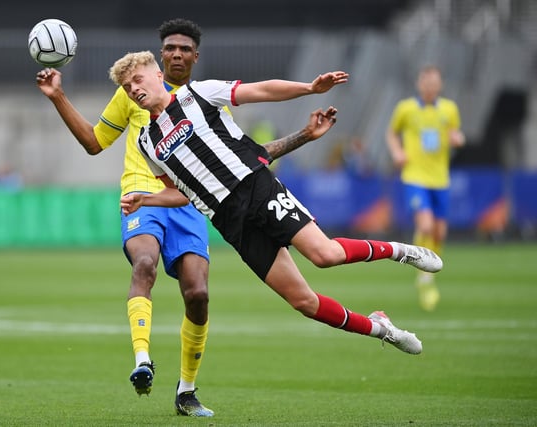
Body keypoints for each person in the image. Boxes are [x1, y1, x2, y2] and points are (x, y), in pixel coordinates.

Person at [35, 19, 346, 417]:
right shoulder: (134, 91)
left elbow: (244, 157)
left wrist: (303, 135)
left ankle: (186, 391)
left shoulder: (204, 97)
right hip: (142, 197)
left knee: (198, 295)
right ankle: (142, 360)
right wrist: (58, 97)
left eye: (185, 49)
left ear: (195, 57)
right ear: (159, 58)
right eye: (170, 48)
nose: (177, 54)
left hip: (194, 202)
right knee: (144, 264)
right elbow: (95, 142)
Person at [115, 51, 443, 371]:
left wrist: (309, 88)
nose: (135, 90)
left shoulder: (196, 93)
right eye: (128, 88)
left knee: (325, 255)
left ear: (158, 74)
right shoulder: (148, 143)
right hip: (229, 221)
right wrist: (148, 200)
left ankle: (400, 251)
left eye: (138, 80)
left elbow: (260, 90)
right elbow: (182, 194)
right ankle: (382, 329)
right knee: (304, 303)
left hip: (256, 188)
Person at [385, 65, 465, 311]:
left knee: (439, 233)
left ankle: (429, 269)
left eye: (434, 82)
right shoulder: (406, 109)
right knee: (425, 225)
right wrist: (398, 152)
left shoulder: (449, 109)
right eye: (426, 82)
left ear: (439, 85)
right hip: (415, 176)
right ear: (420, 84)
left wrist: (458, 139)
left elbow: (455, 134)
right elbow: (391, 133)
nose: (430, 86)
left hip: (440, 178)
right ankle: (423, 272)